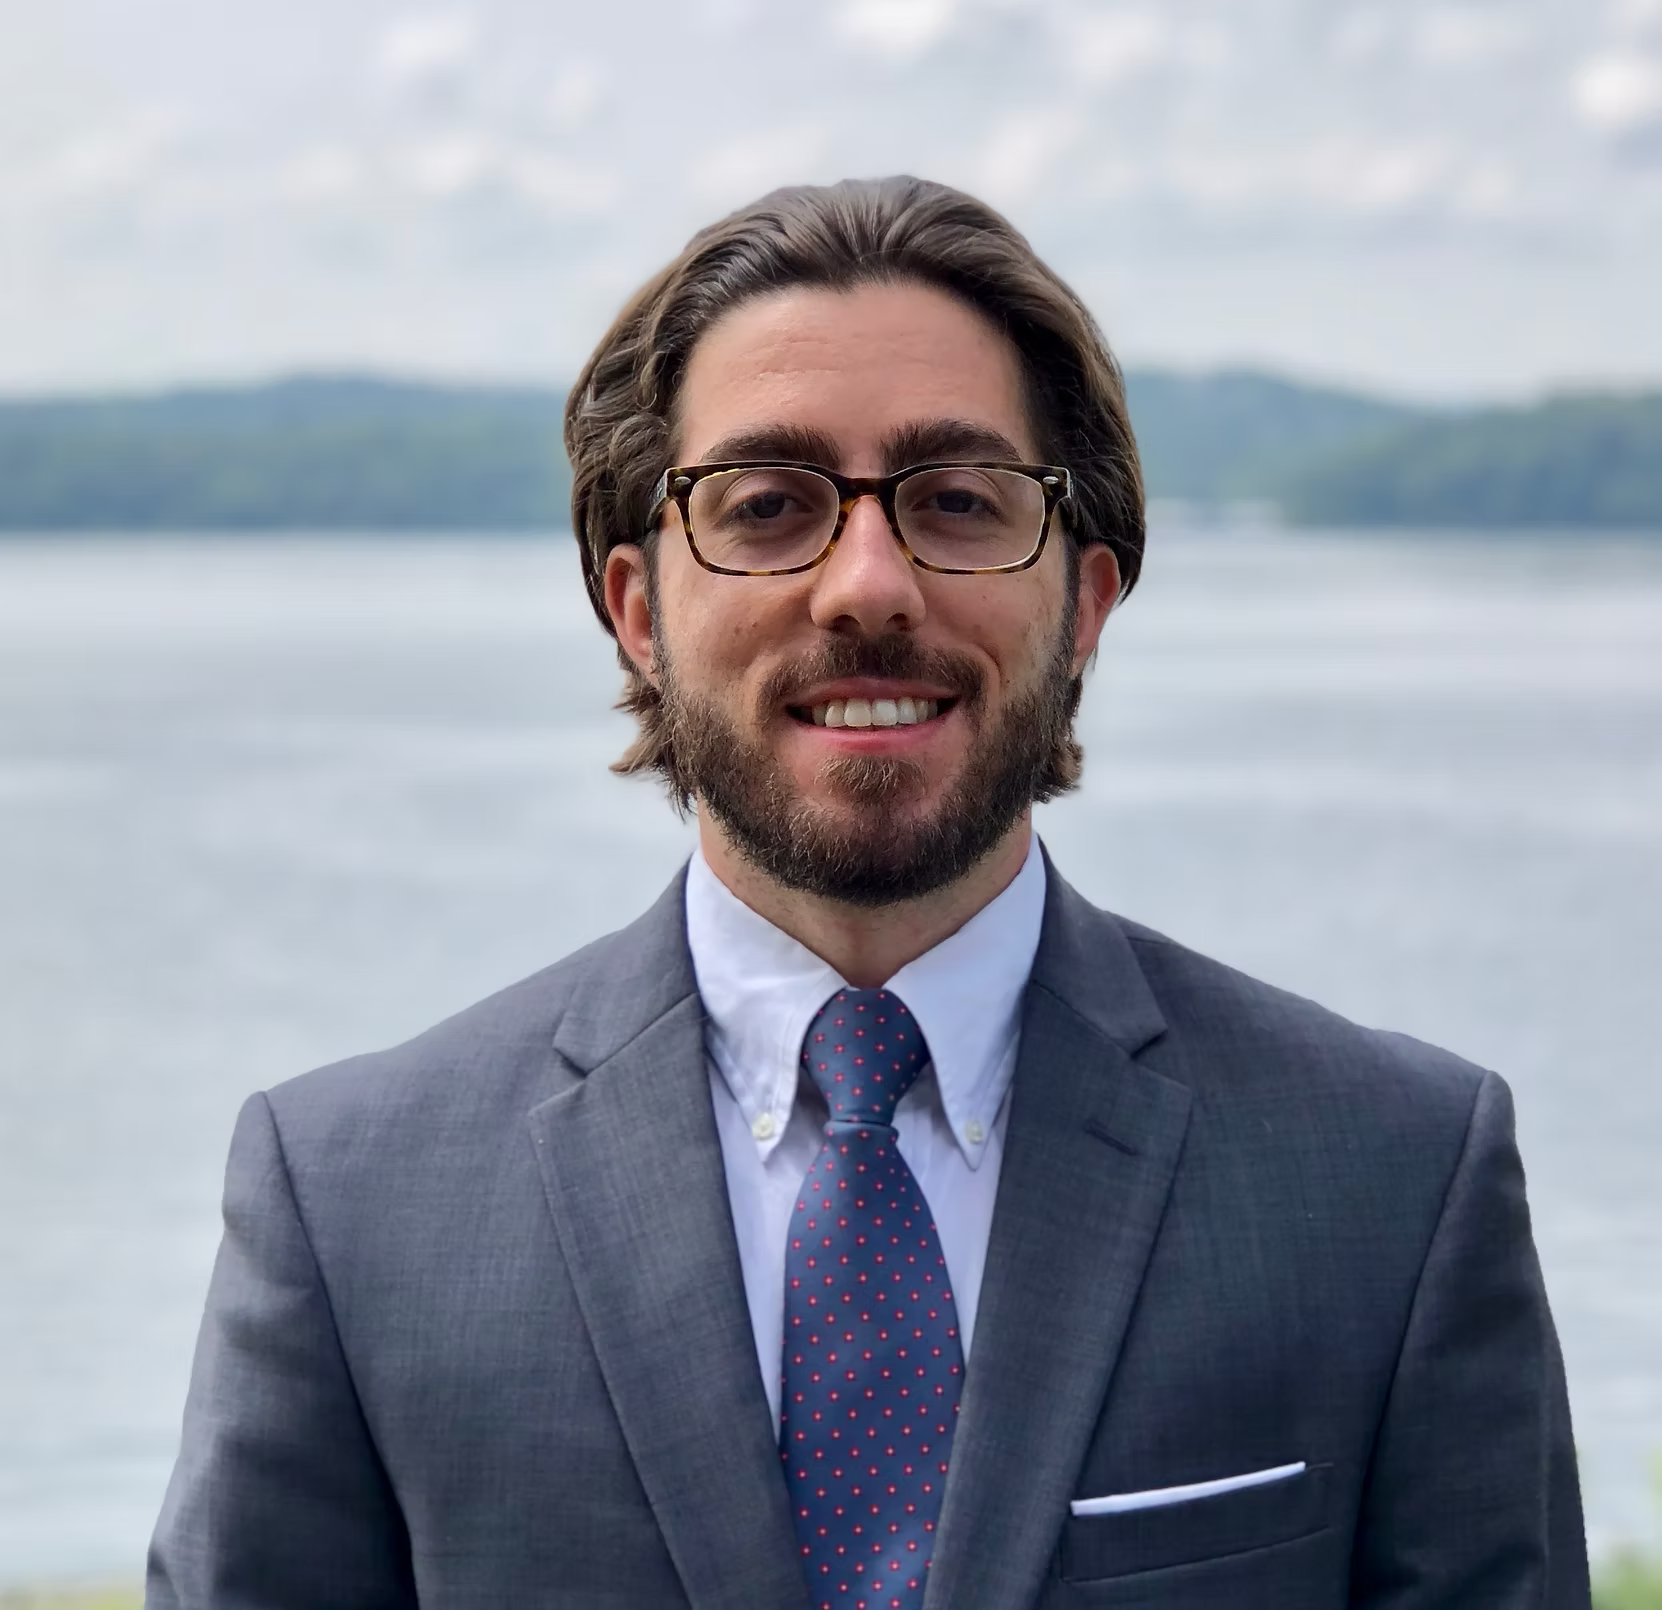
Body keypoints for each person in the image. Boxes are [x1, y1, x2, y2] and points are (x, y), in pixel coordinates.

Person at [148, 176, 1589, 1610]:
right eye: (767, 506)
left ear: (1083, 601)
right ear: (638, 609)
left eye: (957, 501)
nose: (866, 585)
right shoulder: (350, 1204)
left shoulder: (1393, 1179)